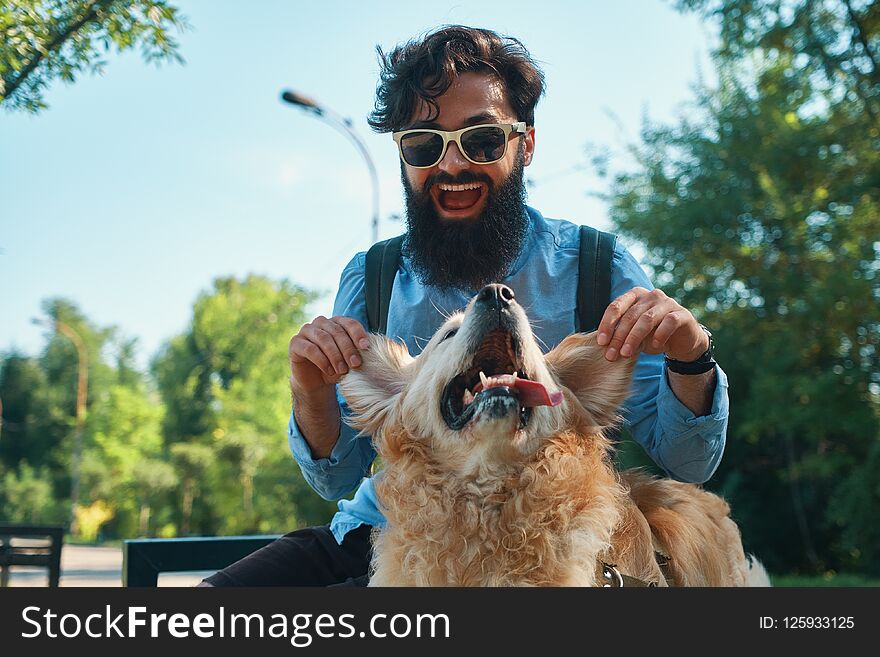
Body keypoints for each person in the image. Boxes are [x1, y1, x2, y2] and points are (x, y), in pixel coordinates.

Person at [201, 25, 727, 587]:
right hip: (388, 532)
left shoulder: (597, 266)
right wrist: (309, 389)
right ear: (403, 155)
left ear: (525, 144)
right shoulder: (372, 276)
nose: (452, 167)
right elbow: (338, 478)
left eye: (482, 140)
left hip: (546, 548)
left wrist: (690, 359)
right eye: (424, 145)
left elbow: (688, 465)